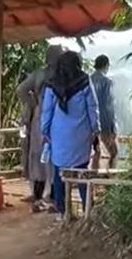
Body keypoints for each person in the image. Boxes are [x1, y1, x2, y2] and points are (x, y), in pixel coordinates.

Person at [41, 50, 99, 216]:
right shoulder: (84, 81)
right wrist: (95, 129)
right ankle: (88, 211)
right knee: (81, 171)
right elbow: (92, 108)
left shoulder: (52, 84)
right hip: (81, 134)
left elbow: (47, 111)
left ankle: (62, 212)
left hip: (58, 135)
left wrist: (45, 131)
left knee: (59, 174)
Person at [17, 45, 63, 212]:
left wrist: (34, 103)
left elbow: (20, 90)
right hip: (58, 120)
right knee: (56, 159)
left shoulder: (38, 75)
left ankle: (38, 198)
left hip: (39, 119)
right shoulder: (63, 76)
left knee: (38, 158)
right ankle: (54, 198)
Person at [90, 54, 119, 170]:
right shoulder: (107, 82)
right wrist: (113, 128)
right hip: (104, 122)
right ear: (106, 65)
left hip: (90, 122)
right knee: (114, 153)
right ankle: (109, 181)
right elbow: (108, 106)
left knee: (96, 152)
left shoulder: (88, 80)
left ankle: (92, 181)